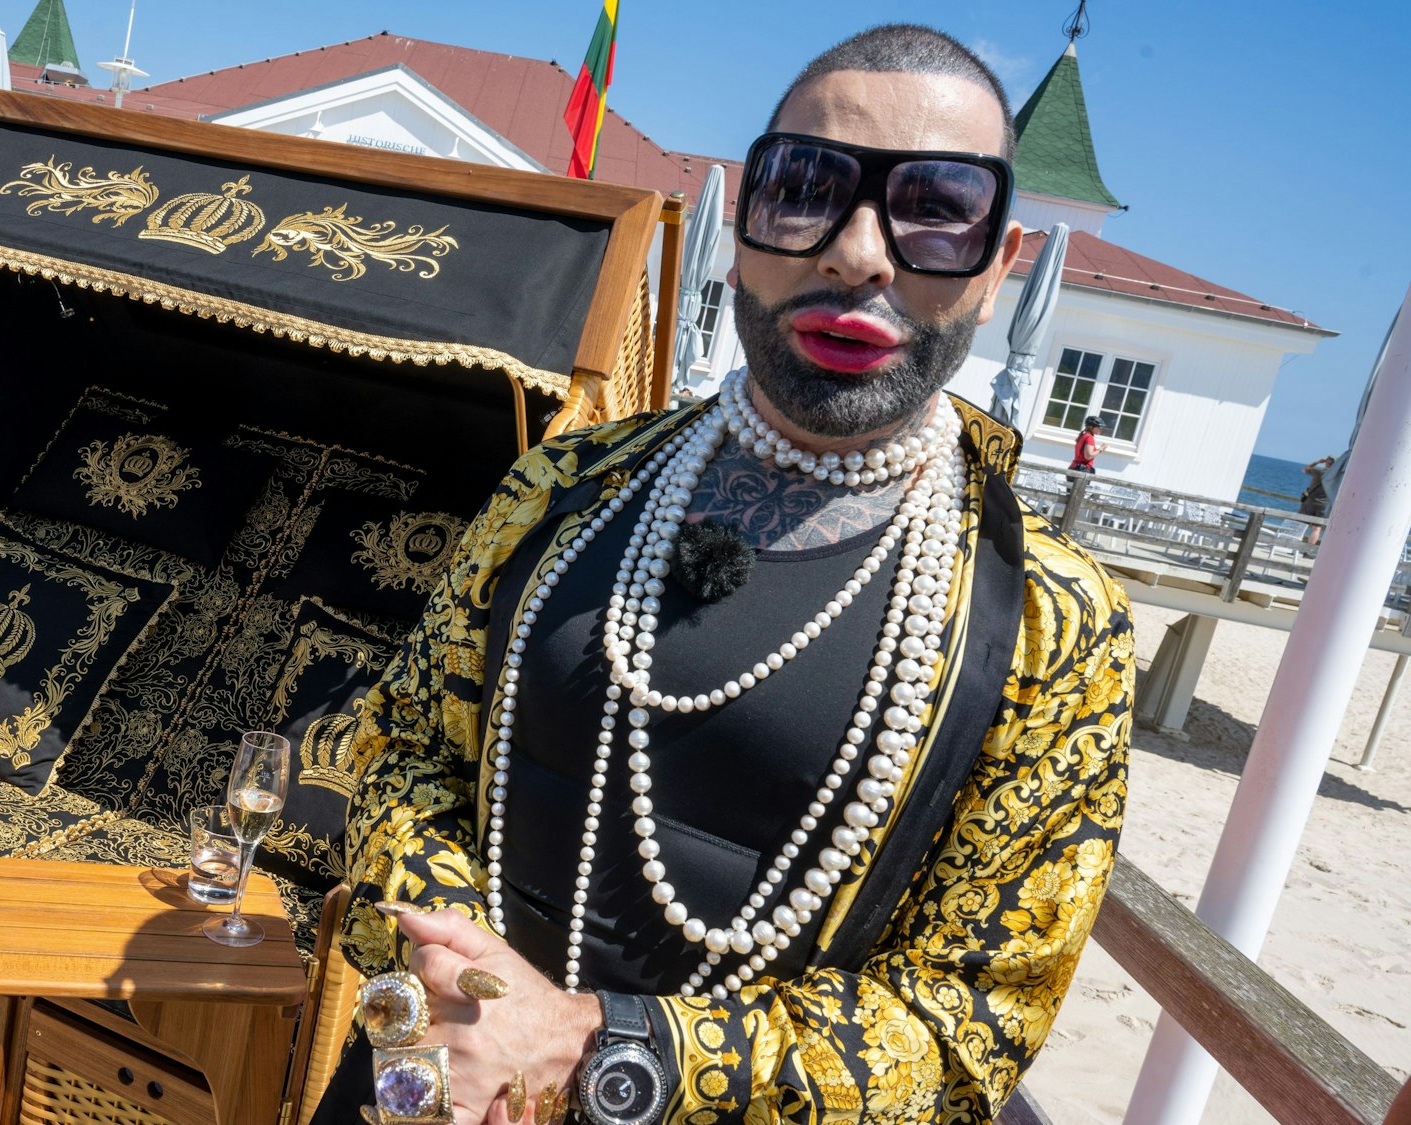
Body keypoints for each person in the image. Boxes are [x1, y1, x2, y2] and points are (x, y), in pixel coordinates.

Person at [322, 24, 1133, 1125]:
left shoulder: (1051, 621)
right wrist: (473, 1003)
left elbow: (965, 1026)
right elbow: (397, 754)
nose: (858, 253)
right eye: (806, 189)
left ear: (998, 265)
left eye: (935, 208)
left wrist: (590, 1047)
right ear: (744, 224)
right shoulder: (561, 485)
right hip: (435, 1084)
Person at [1300, 455, 1334, 545]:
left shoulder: (1319, 470)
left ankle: (1294, 547)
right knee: (1316, 529)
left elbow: (1304, 469)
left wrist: (1318, 462)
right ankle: (1307, 550)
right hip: (1324, 505)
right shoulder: (1336, 476)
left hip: (1309, 503)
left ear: (1327, 462)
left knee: (1301, 525)